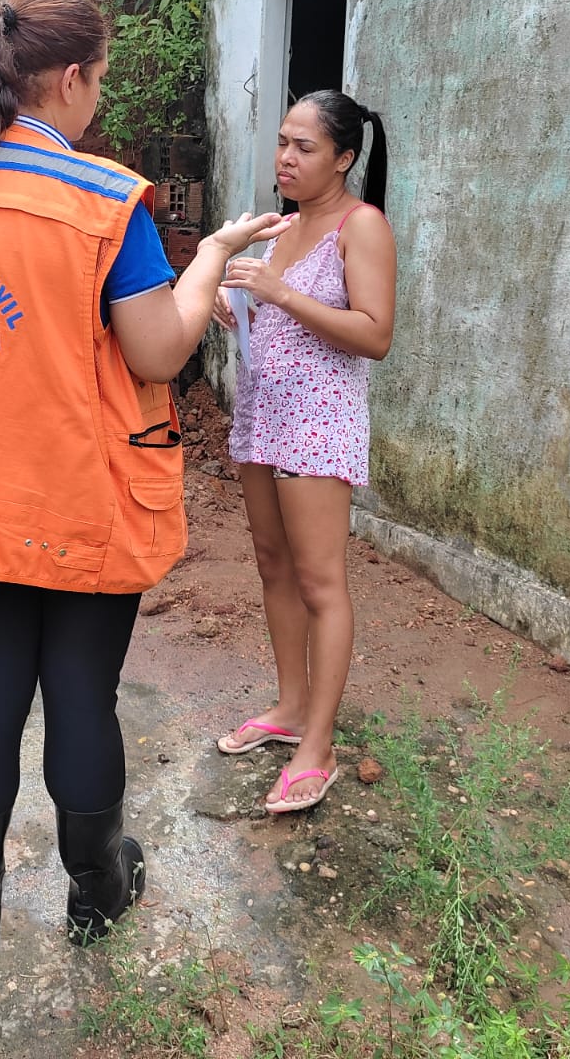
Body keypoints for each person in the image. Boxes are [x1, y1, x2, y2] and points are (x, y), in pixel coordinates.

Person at [0, 0, 287, 959]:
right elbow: (153, 351)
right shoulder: (103, 201)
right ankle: (97, 890)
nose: (96, 97)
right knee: (77, 691)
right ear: (68, 79)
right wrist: (210, 258)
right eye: (97, 80)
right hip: (80, 492)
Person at [213, 90, 396, 814]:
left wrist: (278, 293)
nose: (286, 158)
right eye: (283, 143)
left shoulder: (362, 226)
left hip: (319, 426)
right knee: (272, 564)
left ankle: (318, 744)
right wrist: (242, 312)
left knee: (322, 582)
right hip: (265, 417)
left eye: (305, 147)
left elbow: (373, 334)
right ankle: (289, 709)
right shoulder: (280, 226)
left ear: (344, 158)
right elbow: (277, 319)